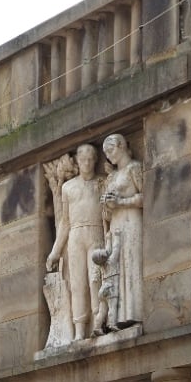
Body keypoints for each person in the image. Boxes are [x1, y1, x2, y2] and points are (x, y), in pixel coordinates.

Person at [46, 143, 105, 341]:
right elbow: (65, 222)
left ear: (95, 161)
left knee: (96, 280)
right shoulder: (68, 187)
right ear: (78, 162)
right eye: (83, 160)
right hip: (75, 236)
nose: (87, 163)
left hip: (96, 232)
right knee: (78, 283)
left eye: (90, 160)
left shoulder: (102, 183)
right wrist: (55, 251)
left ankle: (99, 321)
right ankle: (80, 328)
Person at [98, 132, 144, 329]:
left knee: (131, 263)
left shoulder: (134, 168)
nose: (109, 155)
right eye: (106, 153)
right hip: (116, 224)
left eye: (111, 150)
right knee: (117, 268)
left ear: (122, 146)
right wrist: (107, 206)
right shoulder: (112, 177)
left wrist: (121, 202)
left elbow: (145, 197)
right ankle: (116, 317)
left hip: (131, 220)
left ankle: (134, 312)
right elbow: (106, 215)